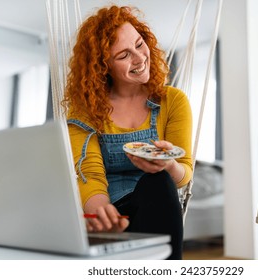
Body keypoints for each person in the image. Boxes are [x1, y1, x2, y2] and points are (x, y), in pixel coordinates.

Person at [63, 5, 193, 260]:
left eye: (139, 43)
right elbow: (88, 174)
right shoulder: (85, 109)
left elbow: (185, 173)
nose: (139, 57)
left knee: (159, 182)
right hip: (111, 212)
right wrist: (103, 215)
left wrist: (168, 165)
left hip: (158, 207)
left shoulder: (173, 101)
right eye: (123, 55)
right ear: (103, 66)